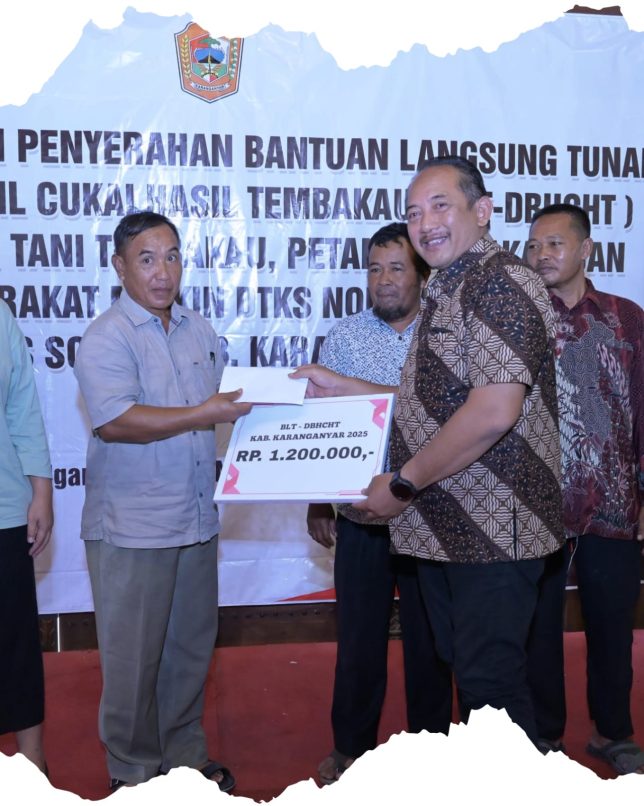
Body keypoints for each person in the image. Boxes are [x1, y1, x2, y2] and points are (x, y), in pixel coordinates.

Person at [293, 156, 564, 745]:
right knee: (470, 671)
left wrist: (403, 483)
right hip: (451, 528)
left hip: (495, 529)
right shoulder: (449, 286)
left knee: (492, 688)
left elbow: (493, 411)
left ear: (482, 211)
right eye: (414, 212)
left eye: (441, 206)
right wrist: (347, 387)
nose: (425, 223)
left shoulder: (499, 282)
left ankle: (523, 785)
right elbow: (431, 403)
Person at [74, 212, 251, 793]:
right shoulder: (107, 335)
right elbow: (117, 422)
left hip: (196, 518)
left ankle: (184, 759)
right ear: (119, 267)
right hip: (134, 527)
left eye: (172, 256)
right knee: (132, 661)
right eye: (146, 259)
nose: (162, 271)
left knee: (189, 651)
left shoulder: (198, 329)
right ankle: (132, 774)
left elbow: (228, 406)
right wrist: (205, 412)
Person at [308, 223, 452, 785]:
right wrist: (317, 501)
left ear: (422, 275)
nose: (384, 279)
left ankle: (432, 752)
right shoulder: (343, 337)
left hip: (429, 507)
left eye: (396, 267)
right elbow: (321, 423)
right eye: (374, 268)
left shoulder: (446, 334)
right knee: (358, 639)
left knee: (429, 640)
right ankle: (351, 751)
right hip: (361, 512)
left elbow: (446, 415)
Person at [525, 203, 644, 774]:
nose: (541, 255)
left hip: (614, 503)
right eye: (533, 246)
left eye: (554, 244)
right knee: (537, 630)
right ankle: (544, 737)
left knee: (612, 627)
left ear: (586, 249)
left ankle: (613, 733)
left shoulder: (626, 319)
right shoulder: (521, 318)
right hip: (537, 505)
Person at [0, 299, 53, 776]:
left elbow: (22, 409)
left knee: (15, 643)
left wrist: (41, 490)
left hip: (4, 507)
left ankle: (34, 768)